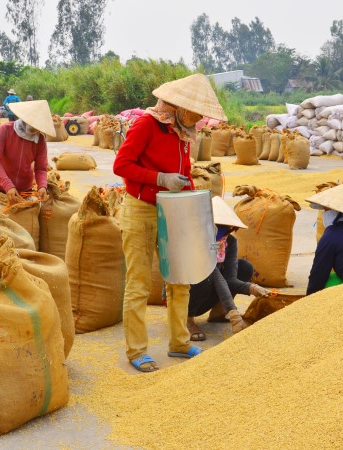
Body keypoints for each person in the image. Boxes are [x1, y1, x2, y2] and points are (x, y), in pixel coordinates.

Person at [113, 73, 227, 372]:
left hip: (175, 211)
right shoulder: (146, 125)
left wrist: (198, 208)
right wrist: (159, 178)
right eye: (195, 112)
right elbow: (121, 165)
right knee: (138, 284)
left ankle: (179, 342)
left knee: (181, 278)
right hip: (141, 209)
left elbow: (185, 174)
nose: (199, 118)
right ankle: (137, 350)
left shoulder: (181, 132)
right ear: (177, 107)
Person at [186, 197, 270, 341]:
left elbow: (230, 279)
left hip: (210, 291)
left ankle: (218, 312)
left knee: (244, 267)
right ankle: (187, 320)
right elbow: (214, 274)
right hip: (187, 296)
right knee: (207, 273)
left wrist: (253, 288)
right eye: (217, 226)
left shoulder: (229, 242)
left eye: (226, 227)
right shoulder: (195, 240)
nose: (221, 232)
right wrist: (234, 313)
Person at [0, 100, 55, 206]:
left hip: (24, 189)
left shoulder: (40, 140)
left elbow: (41, 168)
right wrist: (8, 186)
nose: (35, 129)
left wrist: (42, 186)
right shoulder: (4, 130)